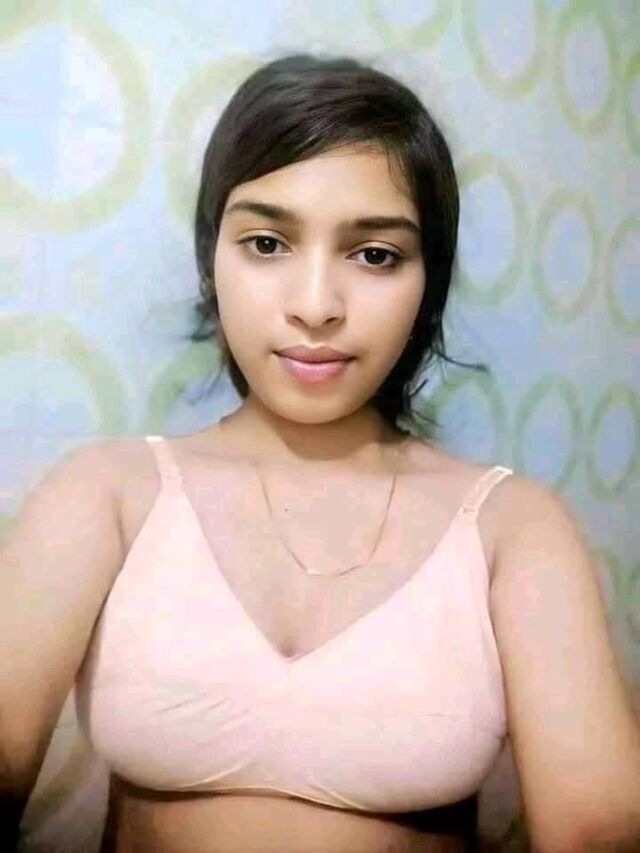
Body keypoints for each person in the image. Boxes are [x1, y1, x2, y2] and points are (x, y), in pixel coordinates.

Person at [2, 51, 639, 853]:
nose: (315, 306)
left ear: (428, 284)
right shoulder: (108, 493)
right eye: (268, 242)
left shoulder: (512, 526)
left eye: (375, 255)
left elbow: (597, 826)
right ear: (211, 258)